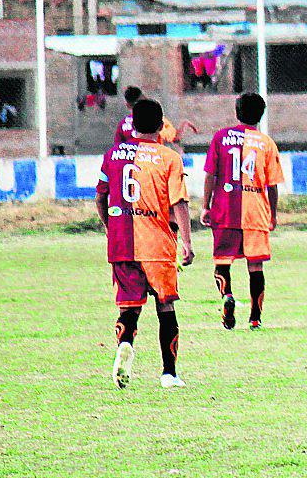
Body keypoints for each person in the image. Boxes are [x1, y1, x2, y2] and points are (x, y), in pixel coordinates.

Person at [96, 98, 195, 389]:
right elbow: (179, 201)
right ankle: (169, 374)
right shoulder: (169, 157)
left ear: (133, 124)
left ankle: (125, 343)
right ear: (161, 124)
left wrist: (109, 228)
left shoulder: (112, 155)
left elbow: (100, 197)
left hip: (122, 243)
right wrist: (187, 243)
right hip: (158, 244)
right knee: (165, 307)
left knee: (129, 308)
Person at [200, 93, 284, 330]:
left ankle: (227, 295)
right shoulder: (266, 143)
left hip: (225, 209)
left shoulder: (220, 138)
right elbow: (272, 185)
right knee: (255, 266)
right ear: (261, 115)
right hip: (255, 212)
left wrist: (206, 206)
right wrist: (273, 214)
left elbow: (210, 175)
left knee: (222, 262)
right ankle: (255, 318)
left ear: (237, 112)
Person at [114, 86, 199, 150]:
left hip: (130, 166)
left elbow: (117, 148)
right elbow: (175, 138)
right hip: (152, 164)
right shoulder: (154, 118)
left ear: (127, 105)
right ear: (145, 99)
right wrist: (184, 124)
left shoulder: (122, 124)